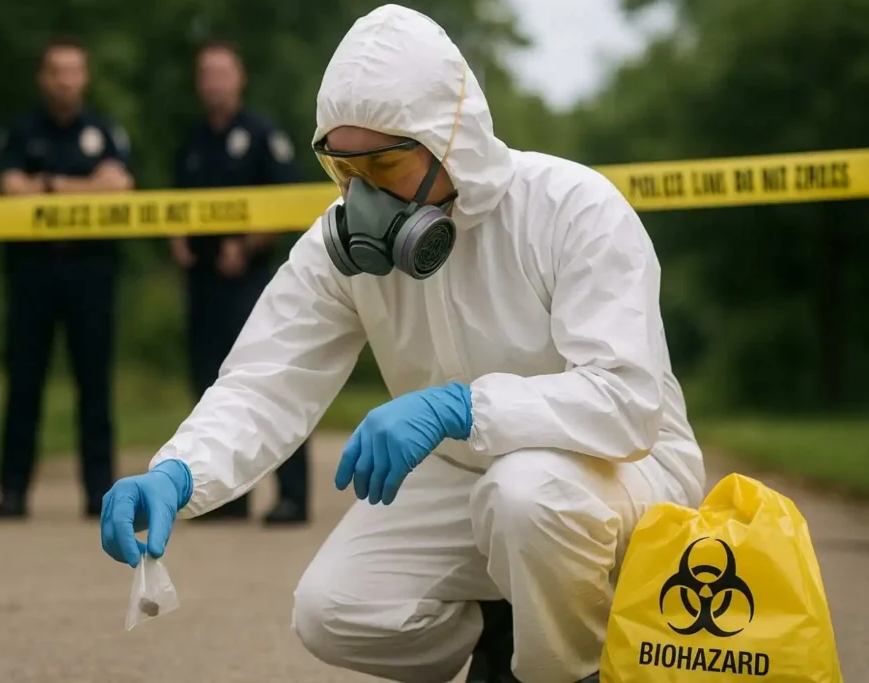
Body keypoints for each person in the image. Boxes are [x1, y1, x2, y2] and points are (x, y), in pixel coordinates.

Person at [99, 5, 705, 683]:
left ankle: (574, 669)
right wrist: (177, 471)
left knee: (526, 496)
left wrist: (458, 407)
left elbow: (624, 401)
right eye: (345, 171)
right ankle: (507, 621)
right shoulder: (341, 252)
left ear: (452, 138)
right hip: (469, 476)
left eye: (385, 164)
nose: (364, 198)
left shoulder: (573, 209)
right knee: (333, 608)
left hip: (622, 471)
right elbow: (264, 380)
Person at [0, 35, 134, 521]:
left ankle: (99, 494)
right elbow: (10, 192)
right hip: (31, 274)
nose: (65, 80)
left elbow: (119, 189)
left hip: (90, 275)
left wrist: (48, 185)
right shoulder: (19, 131)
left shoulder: (105, 131)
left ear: (85, 77)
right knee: (23, 384)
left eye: (74, 71)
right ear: (43, 77)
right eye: (57, 70)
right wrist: (85, 187)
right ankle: (12, 492)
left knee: (94, 386)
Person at [168, 39, 310, 526]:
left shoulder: (262, 134)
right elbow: (175, 204)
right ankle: (223, 496)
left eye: (222, 72)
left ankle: (292, 496)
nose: (214, 82)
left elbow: (289, 200)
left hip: (253, 282)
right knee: (210, 383)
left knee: (269, 377)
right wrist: (178, 238)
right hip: (203, 283)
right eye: (206, 73)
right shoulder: (191, 139)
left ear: (240, 77)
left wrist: (247, 245)